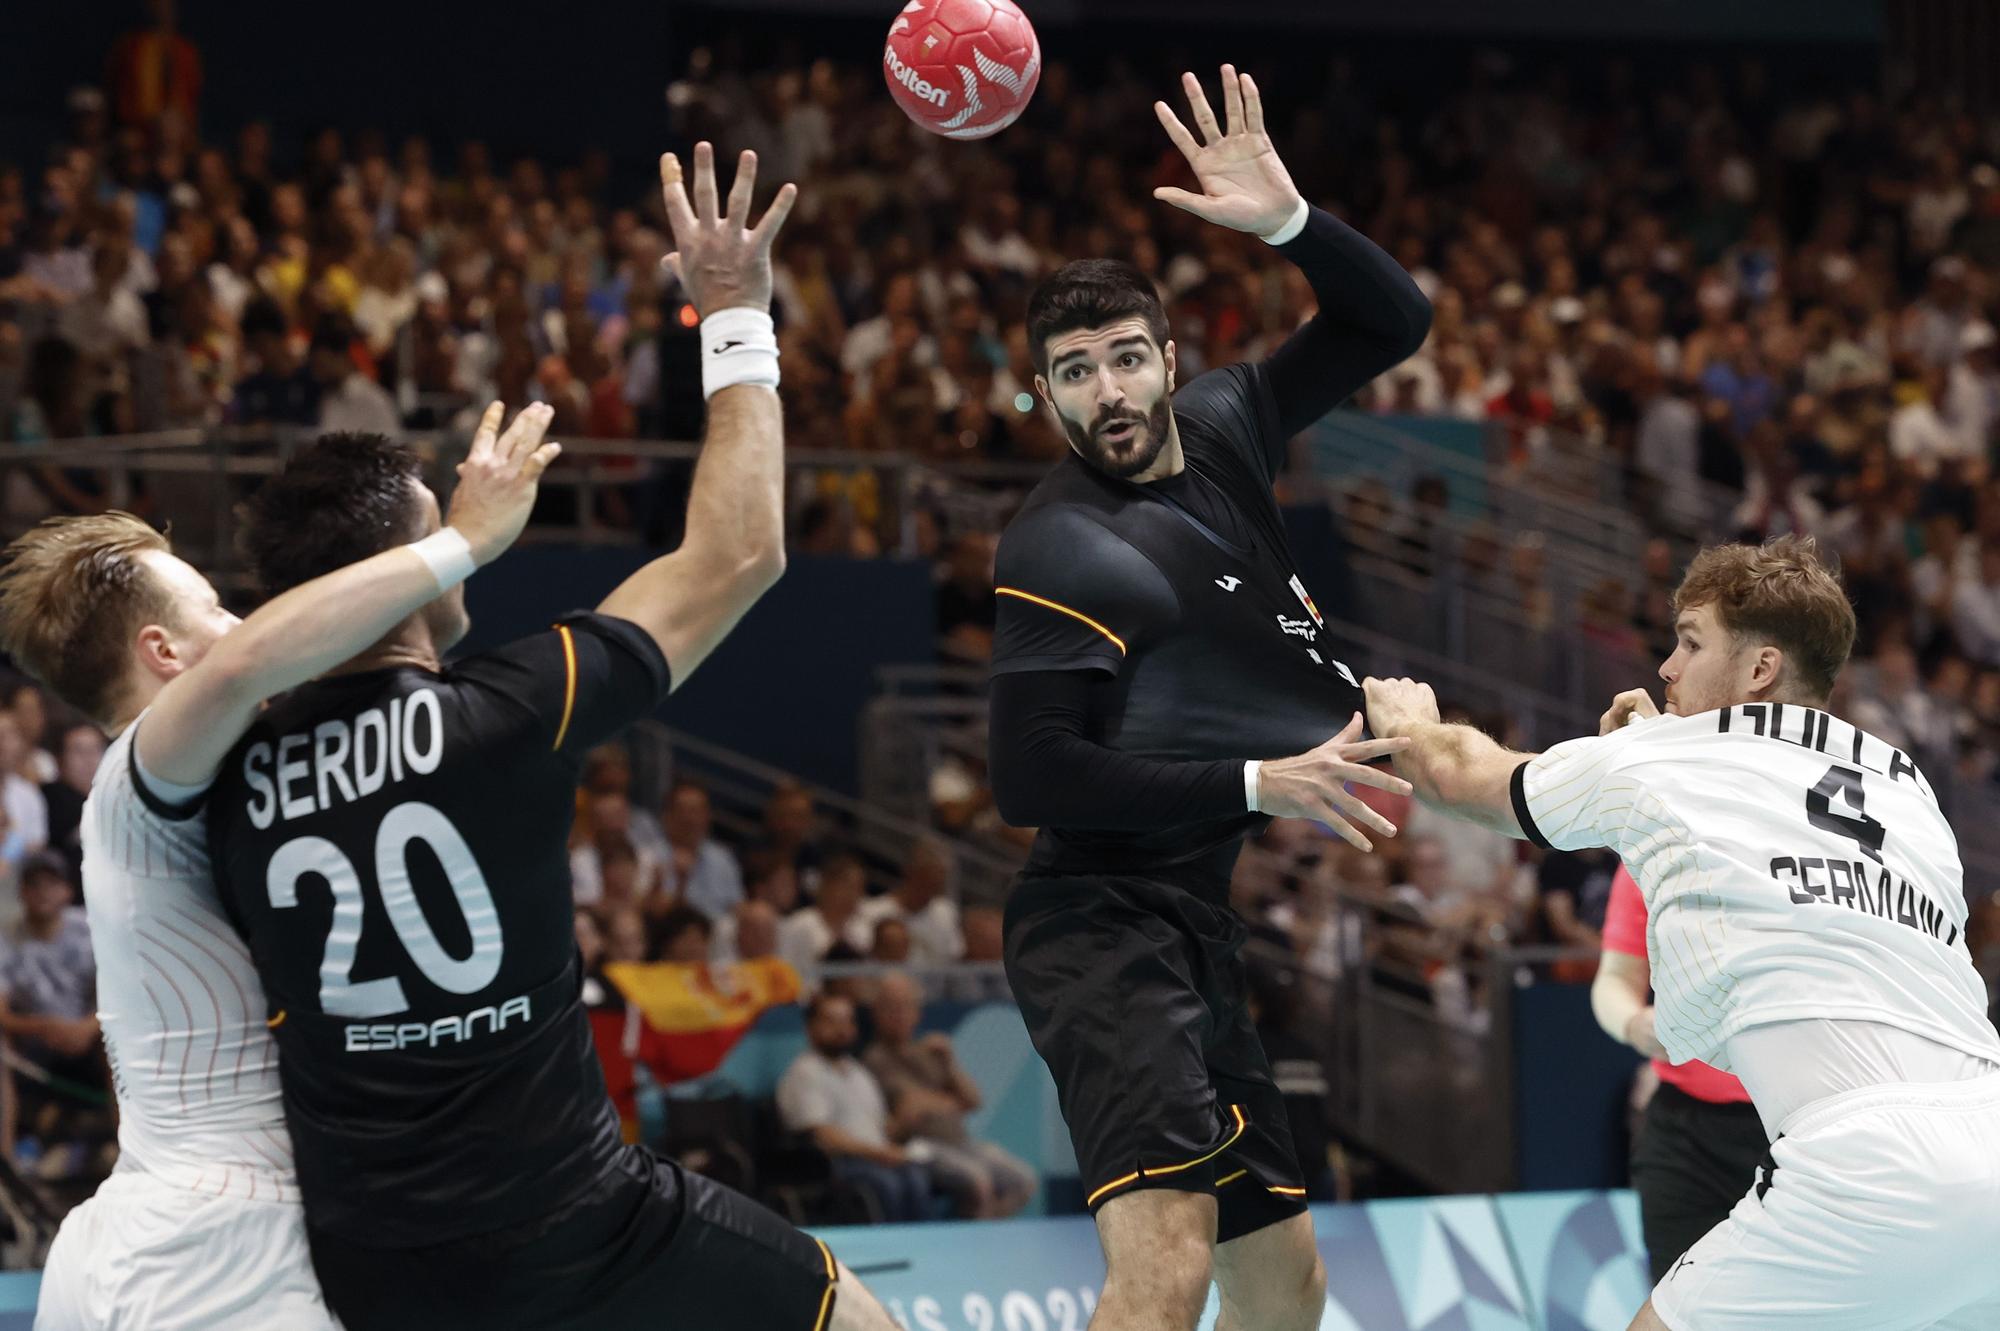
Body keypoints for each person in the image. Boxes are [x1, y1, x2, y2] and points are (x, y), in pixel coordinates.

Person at [204, 145, 898, 1331]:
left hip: (364, 1262)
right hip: (571, 1216)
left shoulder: (217, 773)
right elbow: (738, 555)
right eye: (439, 525)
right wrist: (734, 317)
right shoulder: (507, 709)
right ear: (410, 571)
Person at [987, 66, 1426, 1331]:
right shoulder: (1061, 543)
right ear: (1048, 392)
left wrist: (1292, 226)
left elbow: (1388, 321)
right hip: (1096, 928)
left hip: (1195, 924)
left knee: (1284, 1290)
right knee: (1167, 1269)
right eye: (1073, 374)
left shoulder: (1229, 419)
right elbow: (1031, 774)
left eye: (1125, 359)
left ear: (1167, 358)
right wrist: (1254, 783)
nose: (1107, 393)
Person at [0, 401, 559, 1328]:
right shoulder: (145, 764)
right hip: (214, 1252)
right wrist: (462, 543)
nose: (245, 621)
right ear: (162, 653)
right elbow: (247, 667)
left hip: (155, 1228)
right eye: (216, 608)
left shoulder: (196, 790)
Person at [1363, 535, 2000, 1331]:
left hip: (1864, 1158)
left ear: (1760, 669)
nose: (1665, 666)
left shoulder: (1667, 760)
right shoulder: (1910, 792)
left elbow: (1461, 779)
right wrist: (1646, 758)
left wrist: (1414, 726)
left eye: (1691, 642)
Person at [1594, 864, 1765, 1285]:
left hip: (1801, 1130)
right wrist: (1634, 1023)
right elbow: (1615, 979)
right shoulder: (1649, 850)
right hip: (1685, 1138)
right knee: (1677, 1303)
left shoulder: (1817, 844)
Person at [865, 972, 1035, 1219]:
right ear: (877, 1013)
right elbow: (913, 1107)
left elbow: (973, 1101)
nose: (899, 1015)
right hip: (921, 1146)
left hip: (960, 1141)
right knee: (979, 1181)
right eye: (891, 1008)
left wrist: (950, 1062)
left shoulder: (930, 1051)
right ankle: (973, 1246)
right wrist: (948, 1102)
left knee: (1024, 1180)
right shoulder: (876, 1059)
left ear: (917, 1012)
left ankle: (989, 1235)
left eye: (905, 1006)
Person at [777, 991, 934, 1224]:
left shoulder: (859, 1073)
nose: (841, 1029)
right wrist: (878, 1153)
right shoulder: (805, 1073)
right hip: (835, 1163)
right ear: (811, 1028)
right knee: (888, 1183)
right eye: (831, 1021)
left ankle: (923, 1248)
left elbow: (884, 1127)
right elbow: (824, 1136)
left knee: (916, 1177)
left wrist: (906, 1120)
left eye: (847, 1021)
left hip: (878, 1156)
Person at [0, 852, 102, 1169]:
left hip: (89, 1038)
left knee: (124, 1040)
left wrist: (86, 1028)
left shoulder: (91, 927)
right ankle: (6, 1170)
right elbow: (2, 1014)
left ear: (68, 890)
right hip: (33, 1049)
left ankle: (137, 1151)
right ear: (22, 893)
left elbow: (122, 994)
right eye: (34, 884)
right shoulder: (6, 936)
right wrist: (44, 1027)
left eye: (51, 883)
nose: (43, 891)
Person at [851, 836, 961, 965]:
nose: (931, 890)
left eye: (938, 884)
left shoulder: (945, 912)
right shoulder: (870, 912)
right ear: (910, 871)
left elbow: (955, 956)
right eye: (926, 880)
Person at [660, 779, 745, 920]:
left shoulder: (723, 858)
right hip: (673, 933)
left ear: (708, 816)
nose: (690, 819)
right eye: (682, 811)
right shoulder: (650, 856)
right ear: (667, 816)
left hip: (720, 933)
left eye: (696, 811)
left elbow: (737, 906)